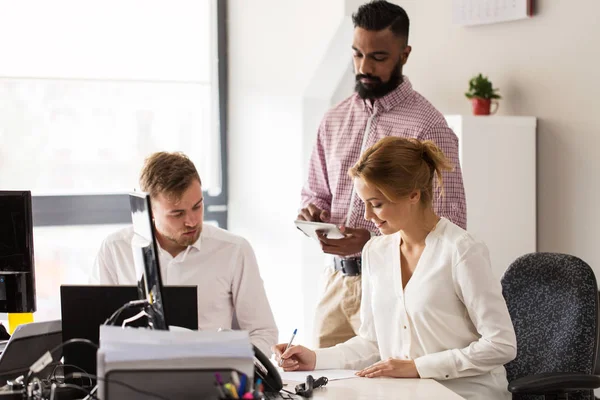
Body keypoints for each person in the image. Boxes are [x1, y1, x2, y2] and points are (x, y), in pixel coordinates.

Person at [280, 137, 516, 400]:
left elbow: (501, 345)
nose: (368, 216)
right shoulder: (376, 251)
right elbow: (372, 341)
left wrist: (418, 368)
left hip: (464, 393)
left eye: (377, 204)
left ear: (413, 195)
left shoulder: (461, 250)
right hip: (406, 392)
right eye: (364, 203)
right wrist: (314, 358)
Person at [298, 0, 467, 348]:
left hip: (397, 286)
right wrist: (312, 212)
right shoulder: (333, 119)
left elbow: (450, 223)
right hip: (336, 283)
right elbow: (315, 192)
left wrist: (373, 242)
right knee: (322, 385)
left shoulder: (428, 127)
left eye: (378, 57)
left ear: (404, 55)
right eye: (357, 54)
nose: (364, 67)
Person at [90, 152, 278, 356]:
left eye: (197, 206)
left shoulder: (235, 251)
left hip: (213, 379)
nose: (192, 221)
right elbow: (95, 333)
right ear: (150, 211)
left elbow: (263, 333)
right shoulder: (115, 249)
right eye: (177, 213)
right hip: (132, 374)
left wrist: (228, 363)